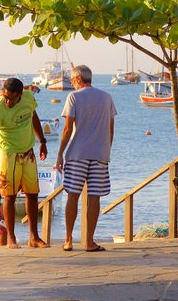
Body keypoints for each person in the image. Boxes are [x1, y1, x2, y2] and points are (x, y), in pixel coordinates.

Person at [0, 77, 49, 249]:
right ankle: (11, 238)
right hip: (8, 153)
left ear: (20, 94)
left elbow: (34, 117)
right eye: (5, 97)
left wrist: (42, 141)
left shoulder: (28, 97)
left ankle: (34, 237)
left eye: (11, 98)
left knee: (33, 194)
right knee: (9, 195)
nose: (7, 101)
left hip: (28, 151)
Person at [55, 65, 116, 253]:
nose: (72, 84)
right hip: (100, 154)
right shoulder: (107, 98)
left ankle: (68, 240)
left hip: (78, 153)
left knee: (73, 194)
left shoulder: (74, 97)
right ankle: (89, 241)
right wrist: (106, 150)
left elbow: (67, 128)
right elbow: (110, 129)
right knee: (94, 196)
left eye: (73, 81)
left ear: (79, 79)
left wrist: (60, 154)